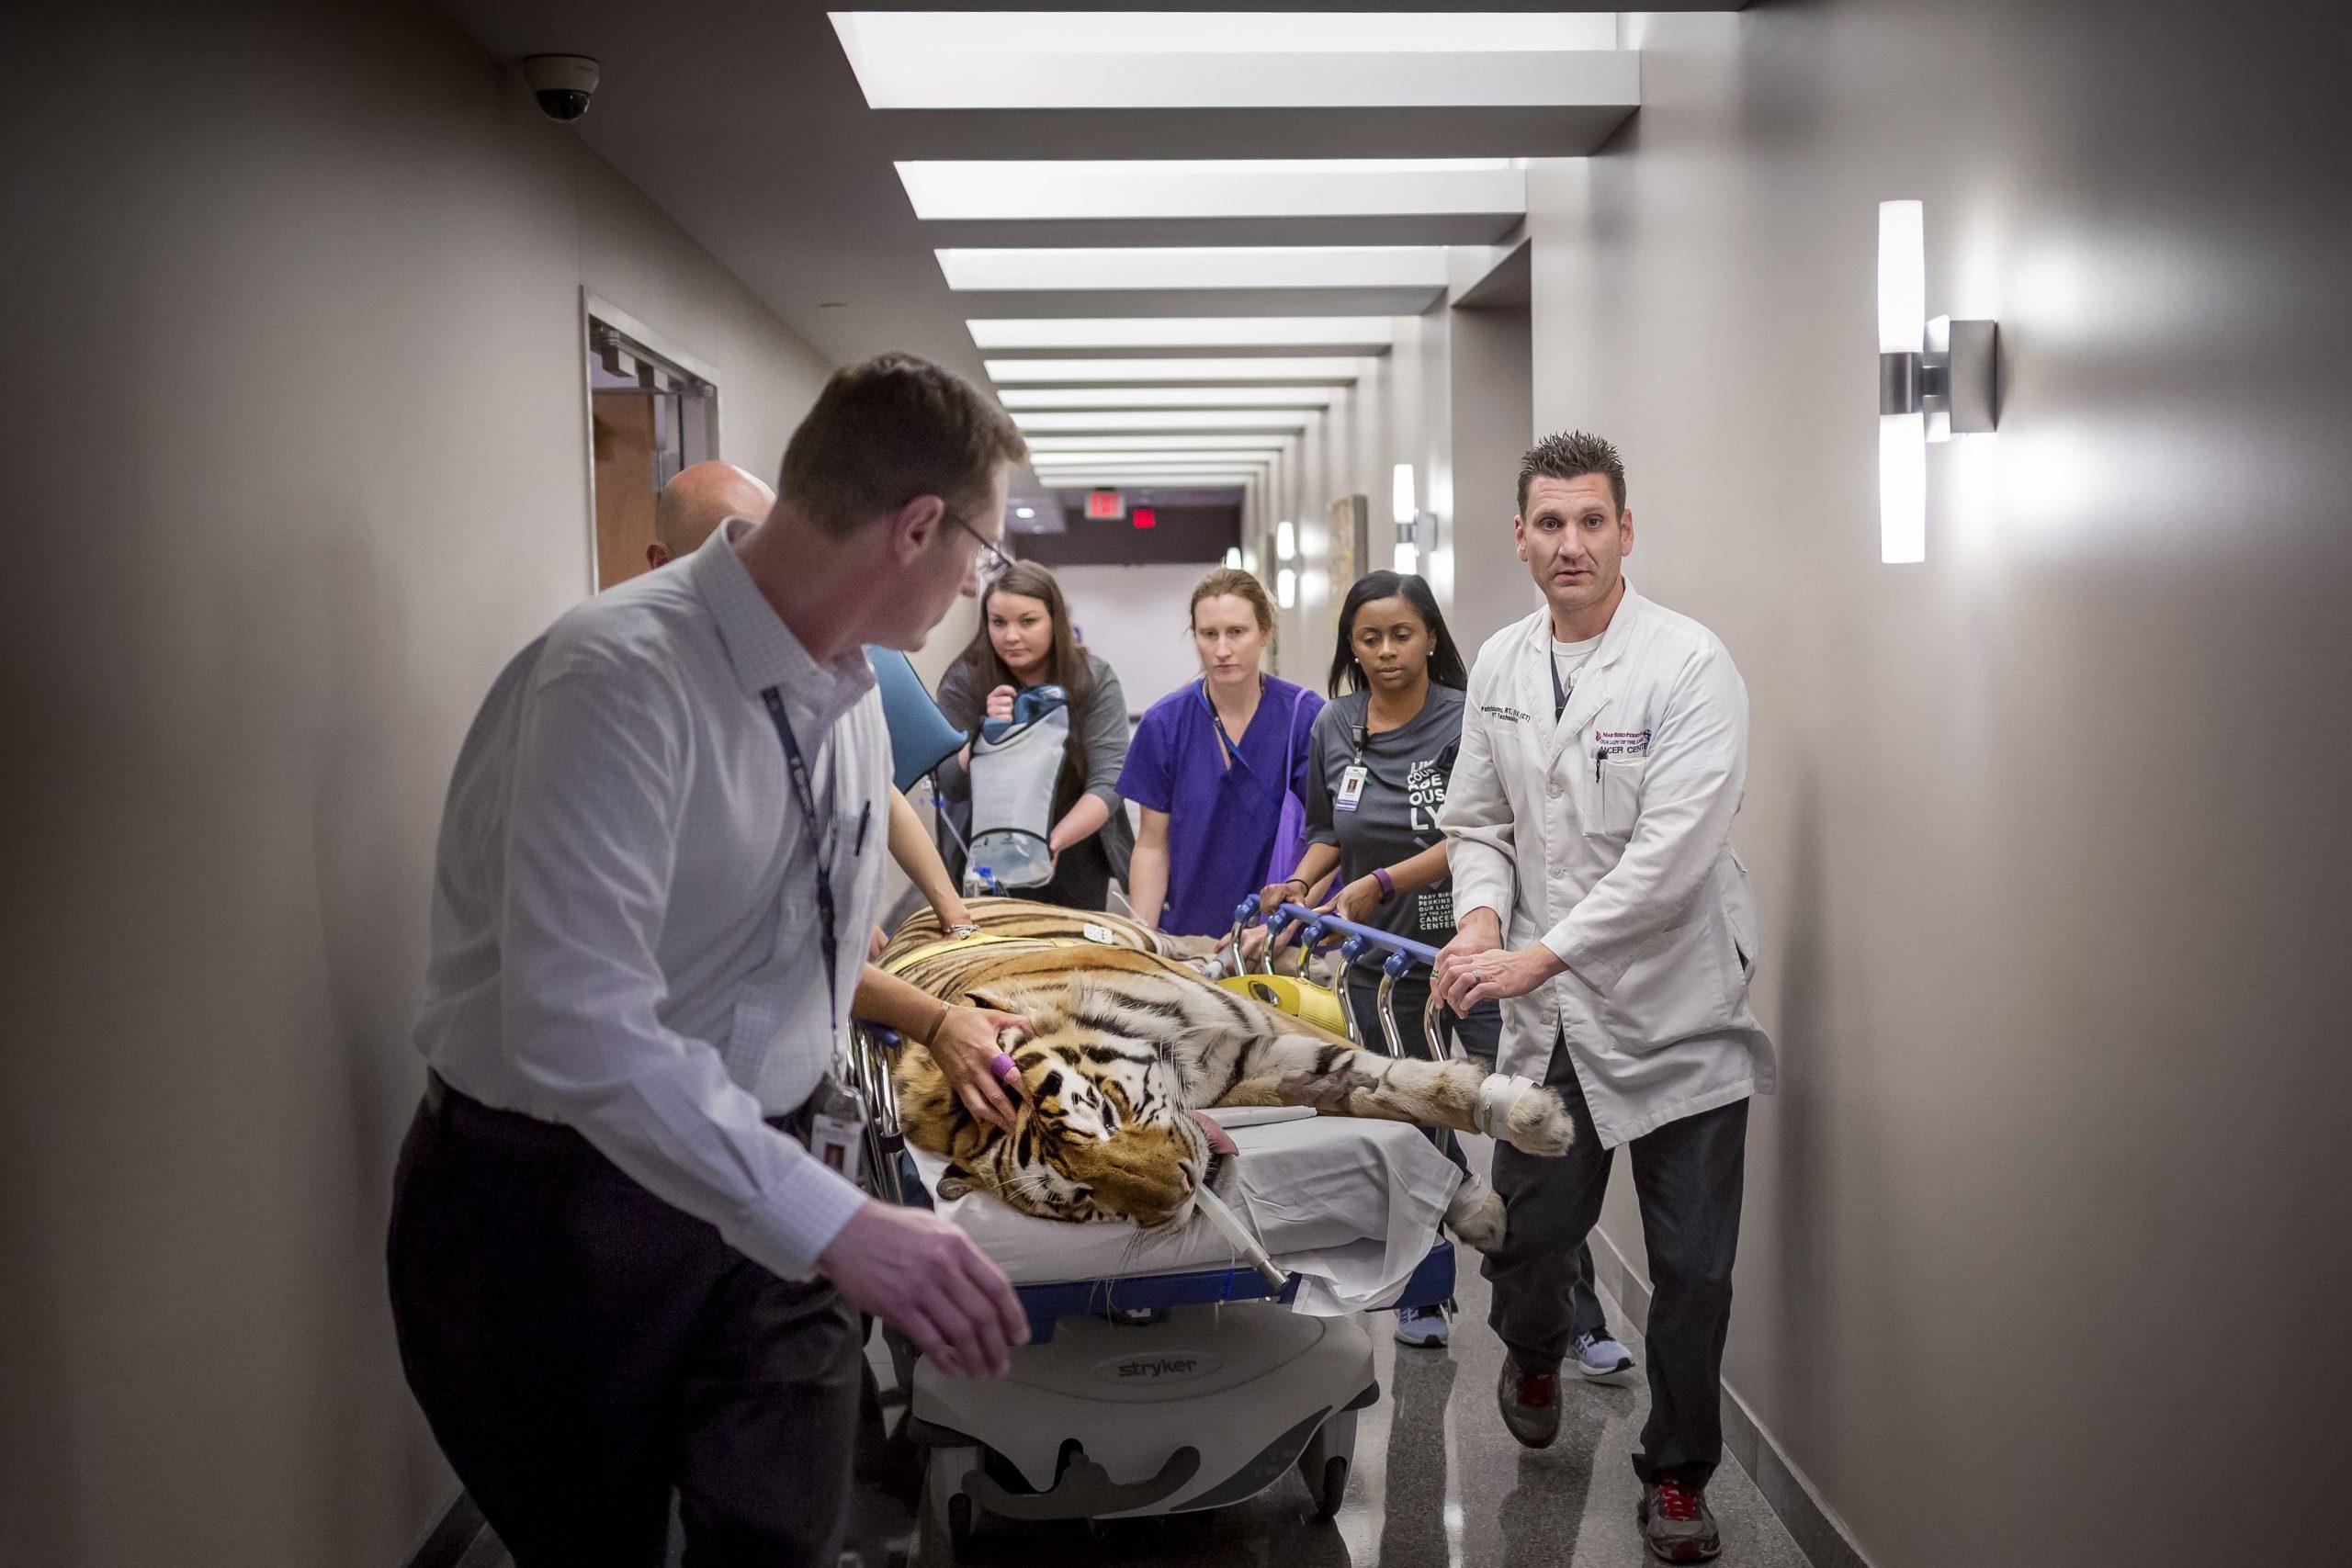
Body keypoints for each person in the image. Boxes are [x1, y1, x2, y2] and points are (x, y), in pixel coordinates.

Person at [390, 355, 1035, 1568]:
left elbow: (798, 948)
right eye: (983, 554)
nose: (977, 582)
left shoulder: (851, 688)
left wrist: (836, 1169)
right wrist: (833, 1220)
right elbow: (573, 1023)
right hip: (560, 1214)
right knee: (605, 1539)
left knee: (783, 1527)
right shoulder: (618, 679)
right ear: (915, 528)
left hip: (775, 1176)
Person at [1433, 432, 1773, 1564]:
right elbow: (1478, 821)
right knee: (1529, 1236)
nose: (1569, 543)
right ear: (1518, 537)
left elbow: (1673, 854)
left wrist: (1539, 954)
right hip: (1551, 1017)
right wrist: (1482, 919)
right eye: (1548, 523)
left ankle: (1677, 1476)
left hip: (1675, 1007)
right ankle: (1532, 1346)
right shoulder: (1497, 664)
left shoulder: (1688, 664)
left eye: (1591, 521)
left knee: (1694, 1266)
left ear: (1627, 530)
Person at [1258, 570, 1632, 1371]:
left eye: (1402, 633)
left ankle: (1580, 1316)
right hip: (1380, 969)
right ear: (1350, 648)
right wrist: (1303, 879)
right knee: (1414, 1126)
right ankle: (1426, 1286)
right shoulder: (1335, 724)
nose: (1387, 651)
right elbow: (1331, 828)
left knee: (1528, 1141)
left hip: (1478, 958)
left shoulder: (1470, 718)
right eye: (1370, 637)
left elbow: (1479, 829)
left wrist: (1387, 878)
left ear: (1431, 635)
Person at [645, 459, 980, 945]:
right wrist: (932, 1018)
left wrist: (954, 915)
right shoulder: (644, 702)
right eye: (734, 554)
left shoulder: (831, 665)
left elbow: (875, 790)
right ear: (663, 563)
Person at [1120, 567, 1322, 937]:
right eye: (1208, 634)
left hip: (1280, 937)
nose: (1222, 650)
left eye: (1236, 632)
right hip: (1190, 940)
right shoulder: (1165, 724)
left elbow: (1329, 841)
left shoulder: (1304, 717)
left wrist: (1288, 928)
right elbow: (1151, 846)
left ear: (1264, 632)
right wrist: (1142, 940)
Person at [932, 561, 1133, 910]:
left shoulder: (1093, 679)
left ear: (1054, 620)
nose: (1011, 636)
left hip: (1074, 855)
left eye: (1027, 622)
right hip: (986, 862)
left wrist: (1048, 845)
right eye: (999, 623)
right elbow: (949, 782)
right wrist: (984, 737)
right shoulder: (966, 680)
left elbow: (1109, 780)